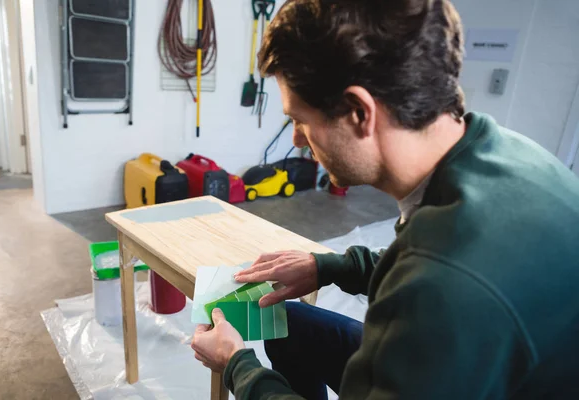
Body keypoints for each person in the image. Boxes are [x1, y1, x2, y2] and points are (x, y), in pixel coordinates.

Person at [191, 0, 579, 398]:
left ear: (360, 112)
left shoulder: (443, 284)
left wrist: (237, 365)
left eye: (300, 120)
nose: (295, 139)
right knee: (290, 325)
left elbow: (440, 281)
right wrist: (328, 267)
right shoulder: (503, 150)